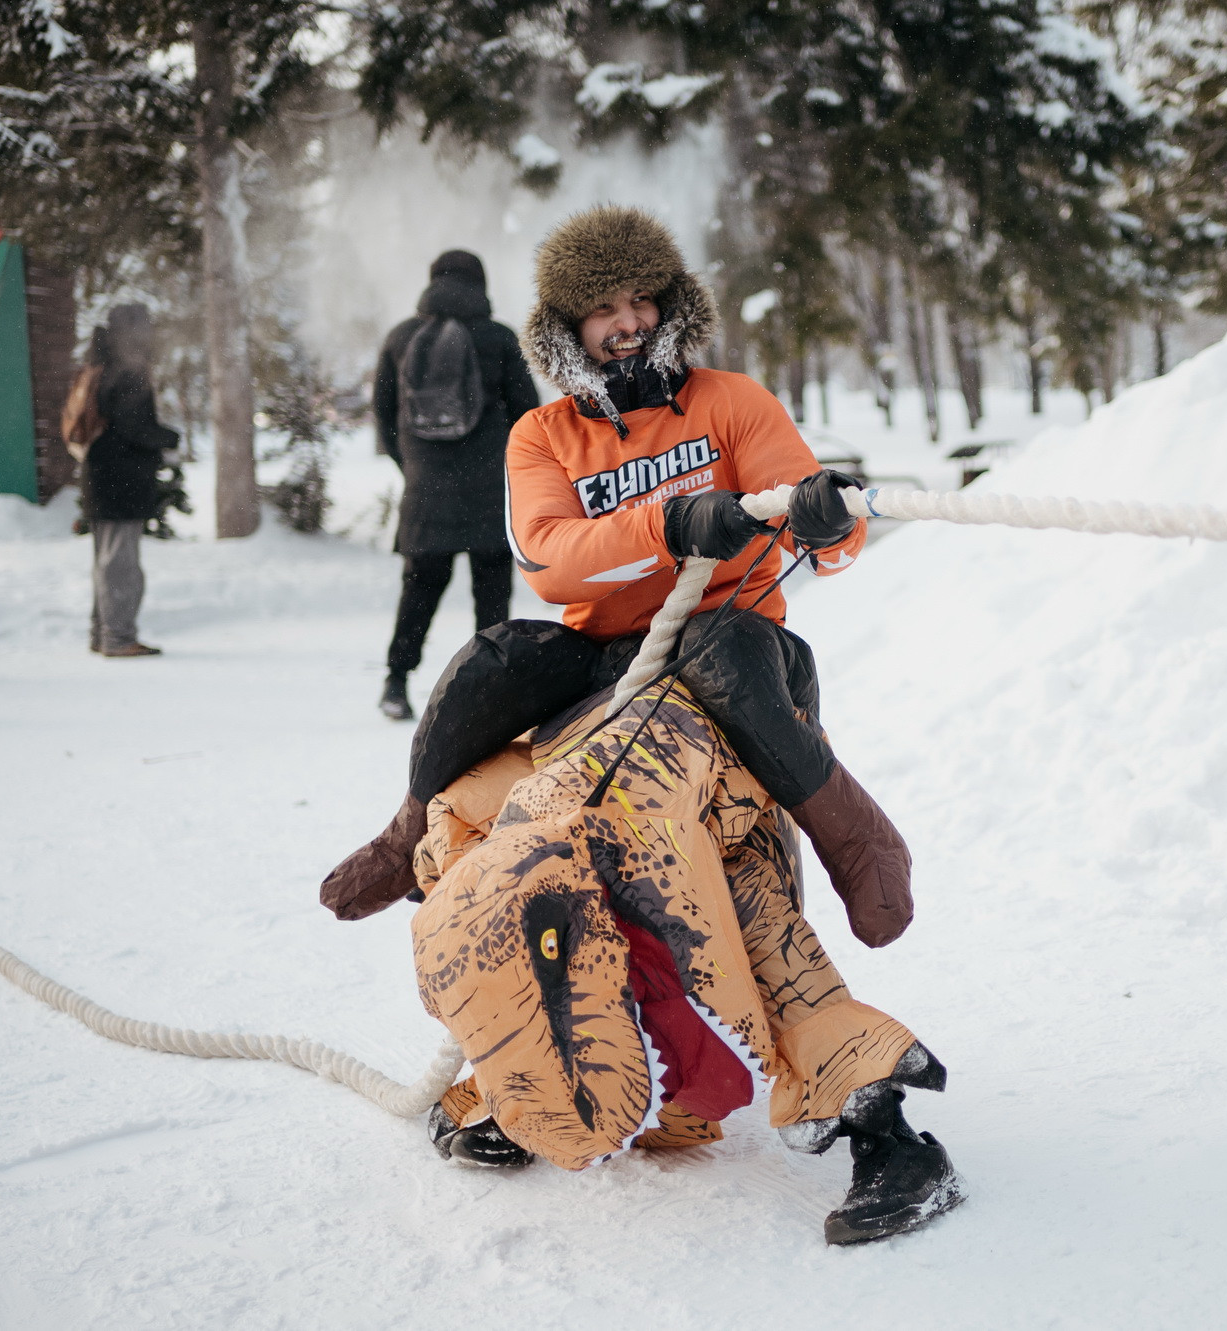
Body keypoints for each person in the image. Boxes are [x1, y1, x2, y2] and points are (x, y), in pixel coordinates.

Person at [318, 207, 956, 1244]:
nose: (625, 322)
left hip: (742, 667)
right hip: (612, 668)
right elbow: (549, 556)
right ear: (566, 325)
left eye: (641, 300)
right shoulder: (542, 433)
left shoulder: (730, 403)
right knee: (493, 686)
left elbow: (826, 532)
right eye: (602, 307)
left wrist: (823, 517)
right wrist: (669, 521)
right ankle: (442, 911)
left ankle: (874, 1064)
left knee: (687, 812)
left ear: (670, 304)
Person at [371, 250, 540, 720]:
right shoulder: (499, 338)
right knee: (491, 593)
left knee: (419, 588)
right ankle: (493, 692)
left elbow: (383, 416)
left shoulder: (401, 338)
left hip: (425, 493)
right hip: (489, 490)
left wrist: (414, 467)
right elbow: (529, 416)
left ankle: (396, 682)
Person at [83, 304, 178, 658]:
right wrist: (169, 438)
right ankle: (118, 637)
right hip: (120, 480)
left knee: (107, 560)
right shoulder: (127, 372)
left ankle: (103, 632)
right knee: (120, 563)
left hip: (102, 476)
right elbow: (134, 427)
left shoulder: (101, 366)